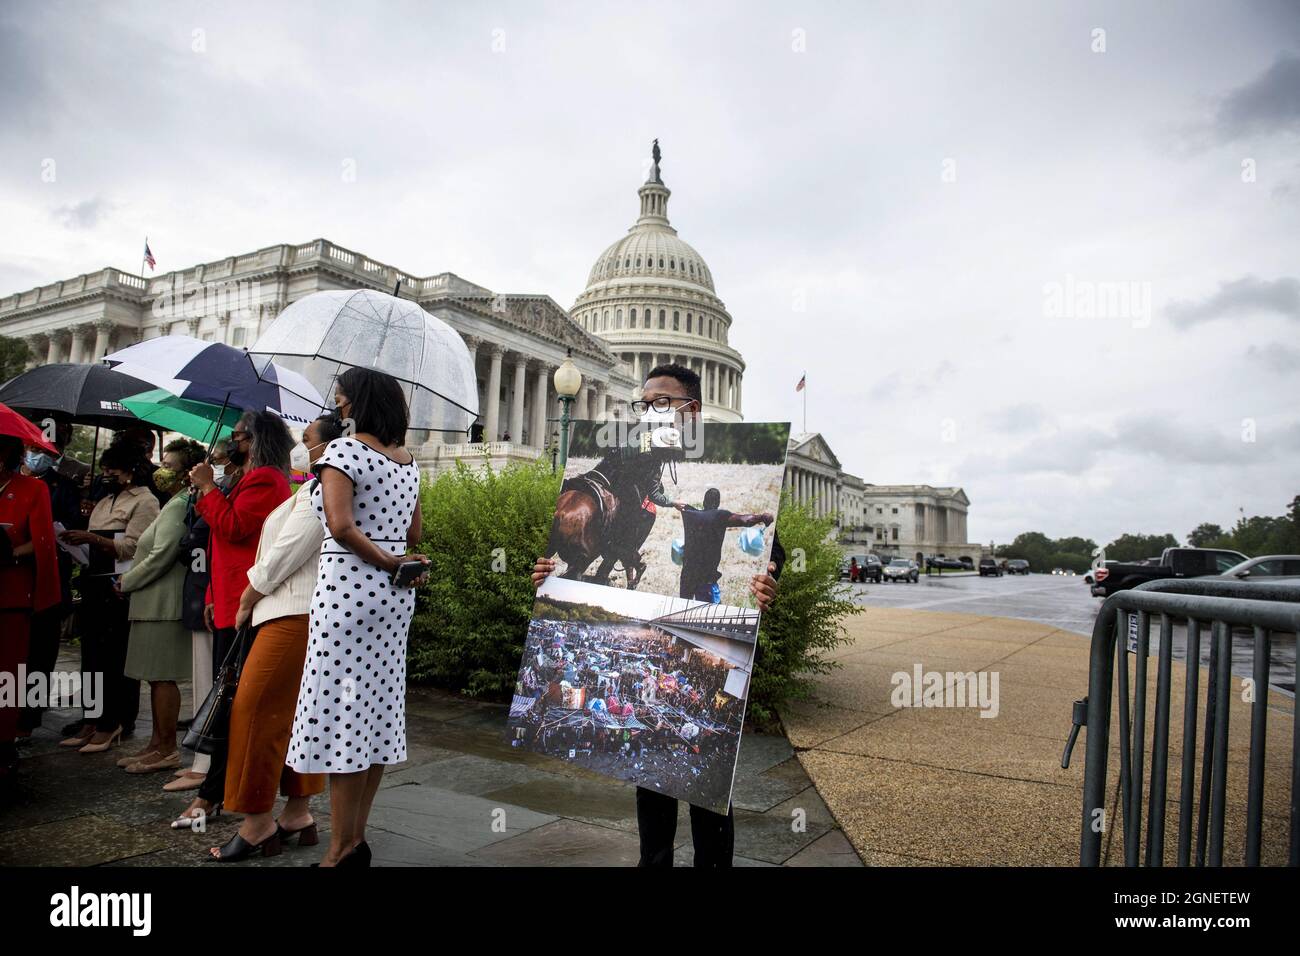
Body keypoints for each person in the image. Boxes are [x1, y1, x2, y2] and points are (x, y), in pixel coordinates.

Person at [532, 363, 783, 867]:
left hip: (706, 624)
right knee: (652, 779)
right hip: (651, 623)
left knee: (709, 780)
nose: (649, 411)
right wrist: (545, 572)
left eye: (660, 403)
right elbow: (609, 484)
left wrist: (770, 576)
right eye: (644, 404)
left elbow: (776, 550)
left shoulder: (729, 453)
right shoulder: (631, 447)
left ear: (691, 408)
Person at [287, 367, 428, 867]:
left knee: (343, 716)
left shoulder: (342, 453)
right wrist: (395, 564)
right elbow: (413, 535)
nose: (338, 405)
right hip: (393, 600)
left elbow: (342, 527)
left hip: (347, 595)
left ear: (356, 403)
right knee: (374, 713)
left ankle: (338, 849)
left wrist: (383, 561)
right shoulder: (409, 462)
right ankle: (357, 839)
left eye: (342, 397)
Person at [208, 414, 342, 861]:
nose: (300, 446)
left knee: (254, 710)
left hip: (290, 611)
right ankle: (296, 813)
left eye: (307, 439)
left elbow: (286, 553)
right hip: (297, 610)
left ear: (327, 446)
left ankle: (256, 822)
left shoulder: (323, 486)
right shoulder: (318, 485)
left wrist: (248, 595)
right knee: (293, 715)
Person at [172, 411, 292, 828]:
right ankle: (216, 788)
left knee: (231, 699)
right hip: (226, 596)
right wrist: (209, 595)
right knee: (229, 695)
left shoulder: (267, 481)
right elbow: (220, 545)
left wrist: (207, 486)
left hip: (248, 602)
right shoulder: (244, 478)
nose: (230, 441)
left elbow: (236, 528)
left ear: (255, 440)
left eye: (238, 436)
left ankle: (214, 792)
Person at [59, 441, 160, 752]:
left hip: (118, 587)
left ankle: (113, 721)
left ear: (129, 471)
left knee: (114, 657)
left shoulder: (145, 501)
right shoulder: (103, 501)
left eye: (111, 470)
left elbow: (134, 547)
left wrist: (92, 538)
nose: (105, 475)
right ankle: (91, 718)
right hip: (93, 583)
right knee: (90, 656)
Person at [114, 439, 205, 774]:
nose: (161, 469)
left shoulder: (182, 503)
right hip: (151, 602)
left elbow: (162, 554)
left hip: (162, 604)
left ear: (184, 473)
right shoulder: (173, 502)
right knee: (154, 678)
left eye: (168, 464)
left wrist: (128, 580)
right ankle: (156, 743)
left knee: (162, 677)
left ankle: (166, 747)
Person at [0, 435, 60, 786]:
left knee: (8, 675)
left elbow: (41, 542)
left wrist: (8, 554)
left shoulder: (32, 490)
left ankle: (5, 740)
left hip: (11, 596)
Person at [18, 421, 83, 738]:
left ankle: (30, 712)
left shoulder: (63, 487)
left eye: (40, 451)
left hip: (51, 570)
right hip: (16, 576)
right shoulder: (14, 483)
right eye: (30, 450)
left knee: (41, 651)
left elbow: (72, 524)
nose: (34, 456)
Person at [673, 488, 773, 601]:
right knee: (711, 615)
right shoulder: (719, 516)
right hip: (706, 579)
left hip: (687, 576)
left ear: (704, 502)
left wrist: (673, 502)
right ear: (718, 503)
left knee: (685, 612)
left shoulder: (690, 514)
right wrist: (762, 517)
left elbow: (679, 504)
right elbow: (745, 520)